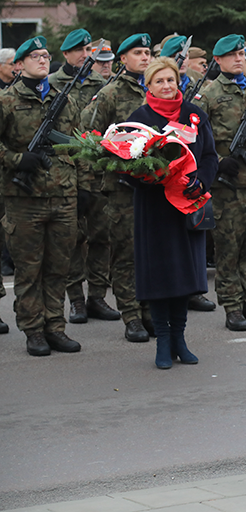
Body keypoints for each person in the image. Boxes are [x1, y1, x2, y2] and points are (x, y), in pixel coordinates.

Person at [126, 58, 217, 368]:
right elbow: (125, 164)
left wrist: (200, 181)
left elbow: (209, 156)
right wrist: (145, 176)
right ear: (148, 85)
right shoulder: (139, 118)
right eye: (159, 81)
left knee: (185, 275)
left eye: (171, 80)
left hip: (188, 206)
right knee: (160, 276)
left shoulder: (194, 115)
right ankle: (163, 341)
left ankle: (180, 337)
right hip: (155, 209)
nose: (167, 86)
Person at [0, 36, 82, 356]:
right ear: (19, 65)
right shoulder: (6, 101)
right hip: (24, 199)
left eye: (46, 55)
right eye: (34, 56)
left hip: (63, 195)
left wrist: (83, 187)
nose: (43, 60)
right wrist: (19, 160)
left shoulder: (66, 100)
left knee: (59, 267)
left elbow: (78, 144)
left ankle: (55, 327)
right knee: (29, 268)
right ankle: (33, 329)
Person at [195, 34, 246, 331]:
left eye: (241, 54)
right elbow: (195, 142)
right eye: (231, 55)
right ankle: (232, 307)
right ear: (217, 60)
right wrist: (218, 163)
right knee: (228, 250)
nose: (238, 59)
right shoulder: (208, 95)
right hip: (227, 184)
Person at [82, 33, 155, 341]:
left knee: (150, 251)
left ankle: (150, 310)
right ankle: (131, 315)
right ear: (123, 59)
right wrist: (115, 160)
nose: (145, 57)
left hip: (154, 184)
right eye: (138, 52)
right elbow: (90, 135)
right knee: (125, 252)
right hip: (122, 185)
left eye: (148, 52)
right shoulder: (110, 93)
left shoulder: (158, 89)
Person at [50, 29, 118, 326]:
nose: (84, 54)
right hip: (67, 175)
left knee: (101, 237)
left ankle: (97, 297)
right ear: (65, 54)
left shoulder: (103, 84)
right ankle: (76, 299)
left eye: (87, 48)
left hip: (99, 174)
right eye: (78, 49)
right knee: (73, 239)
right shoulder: (52, 85)